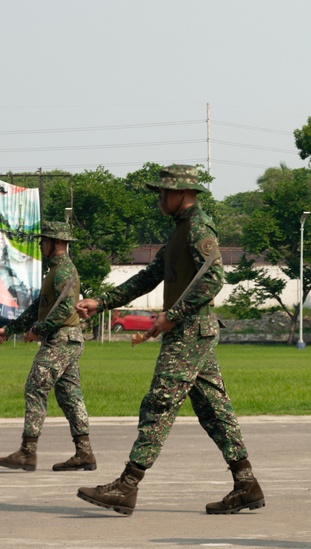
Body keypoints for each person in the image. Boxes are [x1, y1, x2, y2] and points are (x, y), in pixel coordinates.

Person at [75, 164, 264, 517]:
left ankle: (127, 485)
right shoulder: (180, 231)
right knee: (214, 411)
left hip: (189, 332)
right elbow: (148, 277)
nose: (159, 198)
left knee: (158, 404)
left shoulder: (197, 228)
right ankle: (246, 484)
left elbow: (214, 281)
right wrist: (101, 303)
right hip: (193, 333)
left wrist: (171, 316)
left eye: (163, 192)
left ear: (182, 193)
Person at [0, 219, 95, 472]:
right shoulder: (55, 271)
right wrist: (10, 329)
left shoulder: (64, 271)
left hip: (61, 339)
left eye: (44, 241)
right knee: (70, 396)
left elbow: (62, 310)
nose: (40, 244)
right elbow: (39, 307)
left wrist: (37, 331)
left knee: (35, 387)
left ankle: (27, 452)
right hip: (66, 339)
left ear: (56, 243)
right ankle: (84, 453)